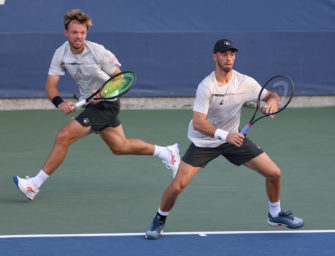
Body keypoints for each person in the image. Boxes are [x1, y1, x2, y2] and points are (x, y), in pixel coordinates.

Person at [13, 9, 180, 201]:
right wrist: (60, 103)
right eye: (75, 32)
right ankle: (167, 152)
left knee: (64, 136)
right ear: (66, 32)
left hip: (106, 104)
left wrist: (101, 94)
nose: (79, 36)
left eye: (82, 32)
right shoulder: (61, 53)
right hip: (89, 104)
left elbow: (120, 79)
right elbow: (51, 85)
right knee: (120, 146)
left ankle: (34, 185)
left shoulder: (98, 51)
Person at [145, 39, 304, 239]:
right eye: (223, 54)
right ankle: (159, 219)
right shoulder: (206, 86)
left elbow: (271, 95)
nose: (228, 58)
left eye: (231, 54)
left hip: (234, 140)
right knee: (177, 186)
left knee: (274, 173)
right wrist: (225, 135)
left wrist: (272, 102)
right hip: (204, 141)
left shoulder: (245, 82)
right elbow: (198, 123)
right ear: (215, 57)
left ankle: (275, 214)